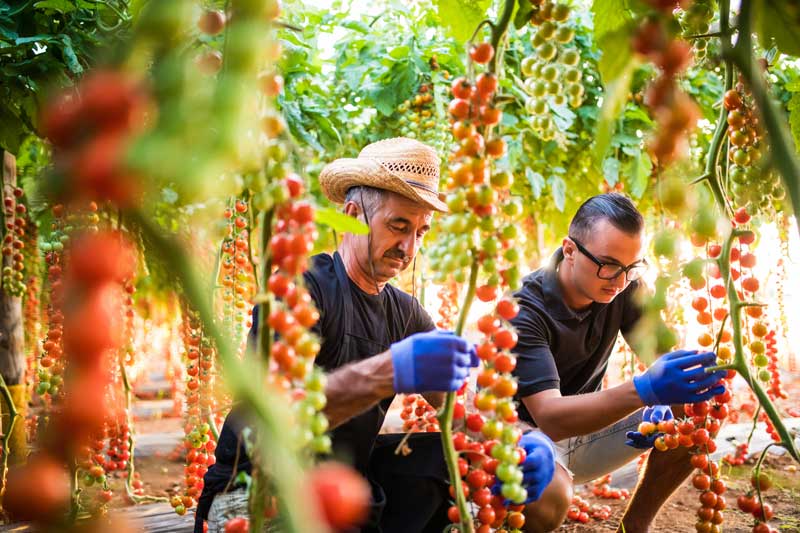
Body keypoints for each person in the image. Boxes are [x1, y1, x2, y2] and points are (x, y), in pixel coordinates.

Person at [196, 138, 555, 533]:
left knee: (458, 461)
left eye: (420, 232)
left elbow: (464, 412)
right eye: (398, 225)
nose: (408, 247)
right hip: (255, 495)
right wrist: (390, 370)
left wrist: (521, 438)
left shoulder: (406, 313)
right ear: (353, 214)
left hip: (342, 491)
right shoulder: (301, 290)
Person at [508, 193, 727, 533]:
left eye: (632, 267)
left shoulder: (623, 284)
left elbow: (664, 356)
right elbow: (549, 418)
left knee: (702, 403)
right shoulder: (525, 310)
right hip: (529, 442)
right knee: (548, 500)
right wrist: (644, 390)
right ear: (569, 250)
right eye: (609, 265)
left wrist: (690, 382)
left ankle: (635, 526)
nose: (620, 280)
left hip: (585, 434)